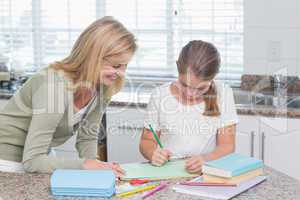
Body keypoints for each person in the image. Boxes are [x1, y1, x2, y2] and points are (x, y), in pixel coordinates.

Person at [0, 16, 137, 175]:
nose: (121, 73)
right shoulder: (54, 85)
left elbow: (87, 138)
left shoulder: (103, 87)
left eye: (125, 66)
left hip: (39, 156)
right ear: (92, 57)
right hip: (7, 160)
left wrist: (98, 168)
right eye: (116, 66)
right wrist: (85, 165)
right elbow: (32, 162)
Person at [140, 40, 238, 174]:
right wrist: (153, 154)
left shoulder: (224, 94)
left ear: (213, 77)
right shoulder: (160, 95)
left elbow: (227, 146)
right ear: (177, 67)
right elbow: (147, 141)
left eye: (201, 88)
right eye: (184, 84)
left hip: (206, 173)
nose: (190, 94)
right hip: (166, 173)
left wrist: (206, 159)